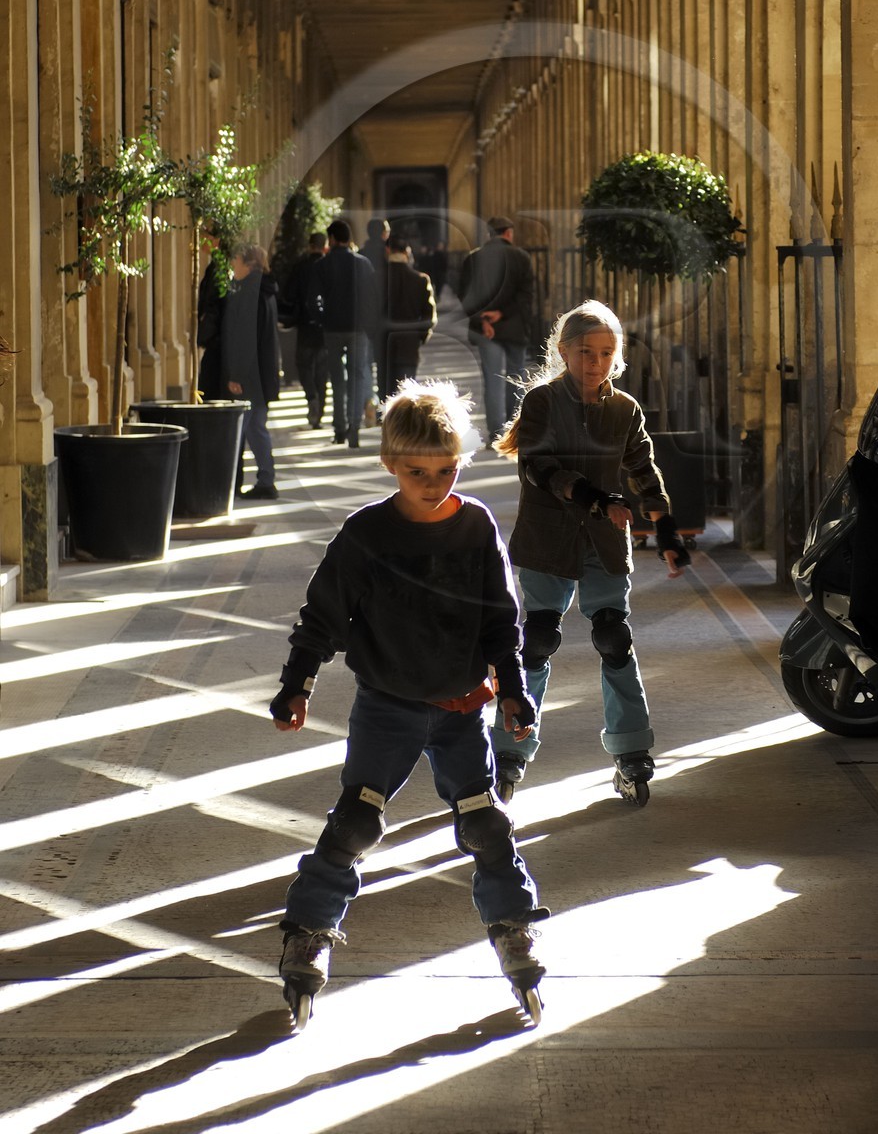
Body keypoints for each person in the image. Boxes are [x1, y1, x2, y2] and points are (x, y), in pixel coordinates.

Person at [268, 380, 548, 1027]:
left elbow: (501, 619)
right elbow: (322, 617)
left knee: (485, 821)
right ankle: (309, 931)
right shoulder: (366, 534)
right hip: (387, 705)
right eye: (418, 471)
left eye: (446, 469)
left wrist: (513, 688)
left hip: (458, 708)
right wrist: (296, 683)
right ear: (391, 464)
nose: (433, 483)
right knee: (355, 822)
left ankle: (514, 923)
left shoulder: (475, 527)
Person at [490, 299, 691, 808]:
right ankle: (509, 750)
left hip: (602, 543)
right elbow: (538, 466)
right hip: (546, 539)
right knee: (536, 642)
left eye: (606, 353)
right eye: (585, 352)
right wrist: (595, 498)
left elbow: (644, 469)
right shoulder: (541, 402)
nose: (595, 362)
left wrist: (665, 528)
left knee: (613, 637)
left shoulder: (624, 409)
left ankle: (631, 752)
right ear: (564, 351)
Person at [458, 215, 535, 445]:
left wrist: (484, 320)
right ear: (509, 233)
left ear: (489, 234)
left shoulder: (472, 259)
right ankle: (515, 430)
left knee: (492, 379)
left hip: (485, 330)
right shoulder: (521, 258)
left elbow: (465, 296)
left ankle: (496, 433)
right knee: (516, 377)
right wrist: (502, 314)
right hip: (514, 327)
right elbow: (526, 296)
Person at [222, 243, 282, 501]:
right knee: (256, 427)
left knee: (248, 428)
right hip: (263, 370)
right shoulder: (265, 291)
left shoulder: (250, 292)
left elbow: (245, 338)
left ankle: (256, 480)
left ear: (249, 264)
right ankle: (265, 479)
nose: (233, 265)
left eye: (236, 260)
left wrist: (236, 374)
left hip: (251, 374)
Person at [316, 219, 378, 449]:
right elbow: (373, 298)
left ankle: (339, 427)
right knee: (357, 376)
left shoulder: (322, 265)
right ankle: (354, 426)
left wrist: (322, 318)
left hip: (332, 328)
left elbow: (314, 299)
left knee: (337, 379)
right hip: (358, 328)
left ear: (331, 239)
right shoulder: (363, 264)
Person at [280, 231, 328, 428]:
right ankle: (319, 411)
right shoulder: (328, 266)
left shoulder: (301, 266)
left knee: (304, 365)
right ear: (325, 246)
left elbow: (289, 294)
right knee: (322, 371)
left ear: (310, 246)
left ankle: (311, 397)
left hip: (305, 324)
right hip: (325, 326)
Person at [379, 234, 437, 400]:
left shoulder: (377, 277)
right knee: (407, 395)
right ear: (406, 253)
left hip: (384, 343)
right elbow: (429, 316)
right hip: (409, 344)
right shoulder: (420, 280)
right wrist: (420, 336)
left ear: (388, 251)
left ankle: (386, 424)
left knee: (386, 394)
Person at [360, 217, 390, 407]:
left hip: (365, 314)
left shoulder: (361, 254)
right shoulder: (388, 254)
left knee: (365, 363)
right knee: (384, 365)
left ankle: (369, 402)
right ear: (383, 233)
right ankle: (384, 404)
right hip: (386, 315)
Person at [195, 228, 225, 401]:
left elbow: (214, 304)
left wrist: (207, 332)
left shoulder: (219, 267)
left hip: (216, 341)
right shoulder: (216, 265)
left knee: (210, 386)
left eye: (204, 237)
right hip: (215, 340)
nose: (200, 242)